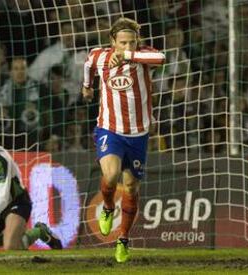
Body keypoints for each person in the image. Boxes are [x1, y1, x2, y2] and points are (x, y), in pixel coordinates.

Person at [82, 17, 165, 263]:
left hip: (139, 133)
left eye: (132, 42)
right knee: (111, 174)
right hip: (110, 129)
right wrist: (87, 87)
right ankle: (108, 207)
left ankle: (123, 239)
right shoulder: (100, 57)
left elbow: (161, 59)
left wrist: (129, 56)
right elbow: (88, 65)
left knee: (131, 187)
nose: (128, 46)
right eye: (123, 43)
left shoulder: (144, 56)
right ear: (112, 42)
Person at [0, 121, 62, 251]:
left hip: (14, 203)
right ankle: (6, 235)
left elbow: (2, 199)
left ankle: (39, 232)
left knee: (11, 246)